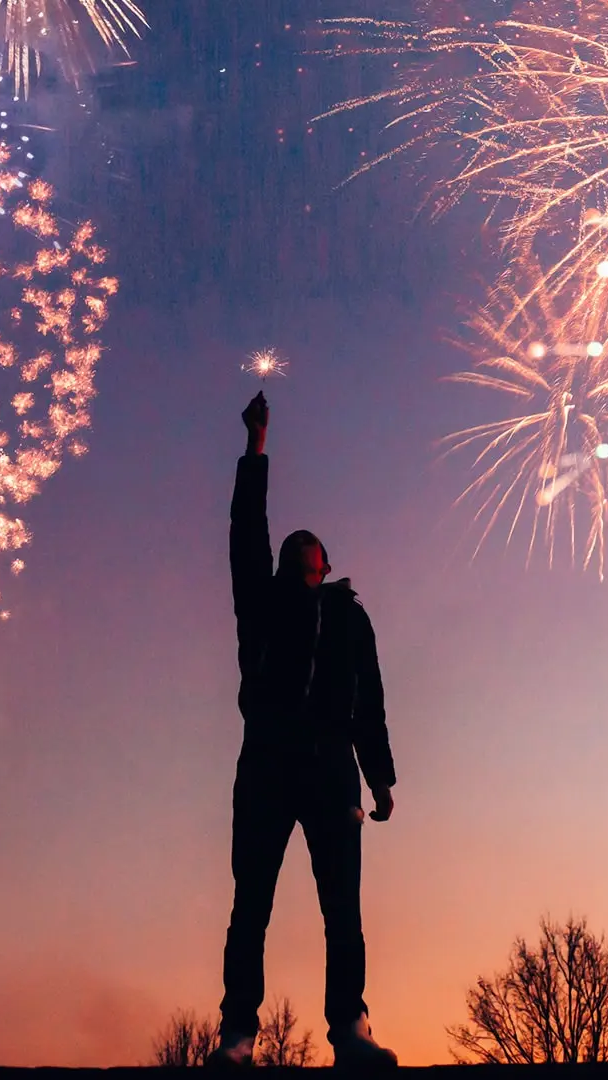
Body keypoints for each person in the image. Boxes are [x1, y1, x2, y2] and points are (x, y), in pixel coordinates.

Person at [205, 391, 399, 1069]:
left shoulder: (349, 619)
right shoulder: (259, 604)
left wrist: (379, 773)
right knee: (250, 904)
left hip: (329, 769)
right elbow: (243, 531)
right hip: (266, 764)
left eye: (307, 560)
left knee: (340, 909)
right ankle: (238, 1033)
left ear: (324, 568)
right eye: (290, 558)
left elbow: (368, 697)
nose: (299, 565)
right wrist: (257, 447)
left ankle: (350, 1028)